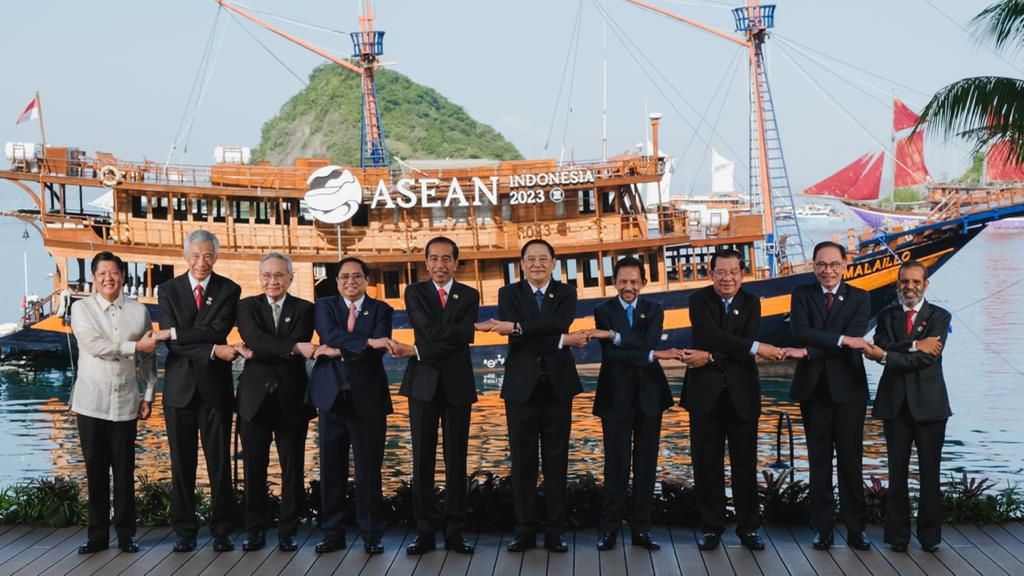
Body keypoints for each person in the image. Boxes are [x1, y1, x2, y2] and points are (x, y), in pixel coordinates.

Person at [476, 239, 587, 553]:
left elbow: (556, 323)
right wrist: (562, 340)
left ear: (554, 262)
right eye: (530, 259)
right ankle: (524, 530)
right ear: (522, 263)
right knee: (523, 462)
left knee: (556, 460)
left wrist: (520, 328)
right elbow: (543, 334)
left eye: (543, 259)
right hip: (520, 387)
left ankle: (555, 531)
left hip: (558, 386)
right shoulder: (508, 293)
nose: (537, 264)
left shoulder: (566, 292)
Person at [679, 249, 783, 551]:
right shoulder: (698, 300)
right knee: (706, 465)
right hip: (704, 395)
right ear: (711, 274)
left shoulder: (751, 302)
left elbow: (731, 346)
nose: (727, 278)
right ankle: (711, 527)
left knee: (744, 465)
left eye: (733, 272)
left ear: (742, 273)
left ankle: (748, 527)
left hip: (742, 394)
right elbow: (710, 335)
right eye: (721, 272)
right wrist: (755, 347)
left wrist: (712, 356)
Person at [153, 229, 242, 553]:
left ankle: (222, 530)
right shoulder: (168, 289)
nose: (201, 262)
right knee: (181, 463)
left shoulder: (230, 289)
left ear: (216, 256)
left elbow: (217, 330)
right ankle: (184, 531)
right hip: (178, 391)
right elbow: (181, 343)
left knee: (220, 463)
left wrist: (175, 331)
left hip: (215, 389)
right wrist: (208, 348)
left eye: (207, 255)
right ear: (185, 255)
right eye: (195, 255)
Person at [390, 236, 480, 555]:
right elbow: (432, 330)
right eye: (433, 259)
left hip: (458, 385)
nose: (439, 265)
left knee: (457, 460)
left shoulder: (470, 294)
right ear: (426, 262)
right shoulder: (414, 291)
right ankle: (425, 532)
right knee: (422, 459)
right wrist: (456, 333)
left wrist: (416, 349)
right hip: (422, 386)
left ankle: (455, 531)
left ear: (456, 263)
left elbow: (457, 335)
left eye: (446, 259)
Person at [785, 240, 872, 551]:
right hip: (814, 390)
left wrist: (811, 350)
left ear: (845, 265)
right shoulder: (801, 294)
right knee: (819, 462)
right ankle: (822, 528)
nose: (827, 270)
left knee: (851, 461)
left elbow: (857, 336)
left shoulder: (860, 297)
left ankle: (856, 529)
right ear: (813, 266)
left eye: (834, 264)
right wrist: (841, 339)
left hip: (849, 390)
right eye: (821, 264)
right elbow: (799, 331)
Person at [587, 256, 679, 551]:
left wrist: (615, 336)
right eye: (623, 281)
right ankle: (609, 529)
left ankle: (642, 529)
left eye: (634, 281)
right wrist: (649, 353)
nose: (629, 287)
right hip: (615, 397)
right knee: (615, 465)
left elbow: (647, 342)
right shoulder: (602, 310)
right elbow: (613, 355)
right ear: (614, 283)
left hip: (650, 396)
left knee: (646, 464)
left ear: (643, 283)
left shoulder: (654, 309)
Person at [70, 251, 158, 554]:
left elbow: (149, 357)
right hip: (90, 402)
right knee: (95, 471)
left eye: (114, 272)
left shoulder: (138, 311)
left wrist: (148, 395)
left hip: (125, 401)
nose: (108, 278)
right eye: (102, 274)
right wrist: (135, 345)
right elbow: (95, 346)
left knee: (124, 470)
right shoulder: (81, 309)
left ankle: (126, 535)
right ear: (94, 278)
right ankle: (97, 537)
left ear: (123, 275)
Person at [308, 256, 395, 555]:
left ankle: (372, 533)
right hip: (331, 398)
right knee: (331, 468)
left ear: (366, 280)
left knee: (368, 470)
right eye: (344, 276)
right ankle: (333, 533)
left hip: (368, 399)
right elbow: (329, 335)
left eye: (357, 276)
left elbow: (379, 350)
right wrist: (368, 342)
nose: (350, 281)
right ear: (337, 281)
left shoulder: (383, 309)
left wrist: (340, 350)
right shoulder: (325, 306)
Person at [862, 261, 950, 553]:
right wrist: (913, 345)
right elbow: (876, 349)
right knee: (896, 475)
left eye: (915, 281)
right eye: (904, 282)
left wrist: (889, 354)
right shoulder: (886, 316)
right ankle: (897, 537)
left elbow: (928, 358)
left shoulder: (940, 316)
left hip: (930, 406)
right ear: (897, 284)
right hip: (894, 405)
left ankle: (930, 537)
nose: (909, 287)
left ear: (926, 284)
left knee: (930, 473)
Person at [234, 252, 317, 553]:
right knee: (254, 468)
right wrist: (294, 347)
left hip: (292, 398)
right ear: (260, 278)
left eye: (279, 275)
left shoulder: (305, 309)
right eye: (267, 275)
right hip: (254, 400)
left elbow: (259, 345)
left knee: (291, 468)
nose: (273, 281)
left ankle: (288, 530)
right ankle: (254, 530)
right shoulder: (246, 306)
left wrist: (265, 347)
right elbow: (253, 338)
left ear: (290, 278)